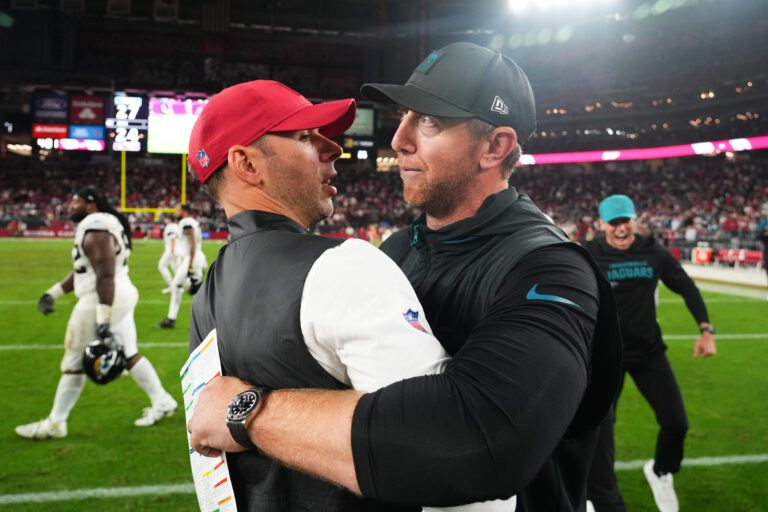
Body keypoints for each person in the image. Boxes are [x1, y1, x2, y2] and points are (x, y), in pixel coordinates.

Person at [189, 43, 623, 511]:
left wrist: (250, 413)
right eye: (404, 116)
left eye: (430, 121)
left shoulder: (552, 268)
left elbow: (481, 445)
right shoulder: (397, 248)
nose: (399, 139)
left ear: (495, 147)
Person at [584, 194, 717, 512]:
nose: (620, 228)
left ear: (635, 220)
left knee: (677, 424)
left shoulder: (653, 253)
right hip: (606, 357)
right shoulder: (587, 255)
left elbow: (687, 287)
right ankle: (600, 498)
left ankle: (661, 471)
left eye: (625, 221)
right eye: (614, 223)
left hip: (648, 353)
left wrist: (706, 331)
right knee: (600, 432)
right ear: (602, 225)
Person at [16, 188, 178, 439]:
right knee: (129, 352)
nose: (70, 205)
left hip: (102, 298)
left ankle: (56, 423)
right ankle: (163, 400)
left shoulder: (95, 227)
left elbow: (104, 275)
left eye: (76, 201)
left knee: (73, 363)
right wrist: (53, 293)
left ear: (91, 205)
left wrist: (103, 319)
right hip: (119, 294)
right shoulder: (103, 225)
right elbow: (84, 271)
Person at [157, 203, 207, 328]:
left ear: (184, 211)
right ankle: (171, 319)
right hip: (192, 258)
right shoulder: (191, 221)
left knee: (195, 291)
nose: (175, 211)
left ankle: (211, 320)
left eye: (178, 209)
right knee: (182, 287)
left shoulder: (186, 223)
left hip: (192, 258)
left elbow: (192, 245)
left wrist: (190, 265)